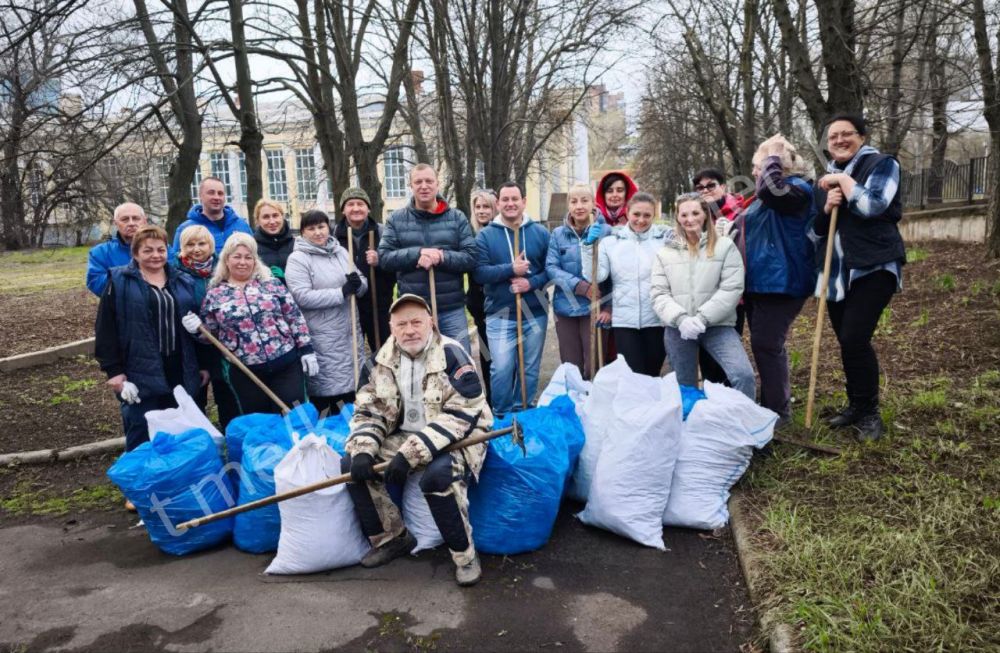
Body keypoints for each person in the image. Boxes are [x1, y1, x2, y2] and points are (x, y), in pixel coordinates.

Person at [342, 293, 493, 586]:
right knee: (351, 464)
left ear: (431, 323)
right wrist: (363, 449)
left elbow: (463, 411)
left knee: (437, 476)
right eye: (401, 324)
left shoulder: (452, 353)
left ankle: (465, 556)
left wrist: (410, 455)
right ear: (391, 327)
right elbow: (369, 410)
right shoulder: (380, 361)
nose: (409, 330)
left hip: (461, 435)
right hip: (406, 435)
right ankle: (392, 539)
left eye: (416, 322)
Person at [813, 113, 905, 441]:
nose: (838, 140)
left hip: (874, 265)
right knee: (848, 342)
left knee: (855, 338)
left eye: (846, 134)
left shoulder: (882, 164)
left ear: (862, 137)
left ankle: (869, 413)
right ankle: (856, 404)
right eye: (832, 136)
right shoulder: (824, 179)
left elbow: (874, 206)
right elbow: (815, 232)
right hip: (837, 273)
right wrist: (826, 209)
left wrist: (845, 184)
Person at [95, 225, 208, 458]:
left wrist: (203, 362)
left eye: (160, 250)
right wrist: (114, 372)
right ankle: (140, 488)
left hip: (180, 366)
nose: (155, 255)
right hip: (140, 368)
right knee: (142, 431)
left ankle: (179, 482)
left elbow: (195, 326)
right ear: (135, 254)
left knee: (182, 429)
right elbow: (106, 328)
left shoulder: (182, 280)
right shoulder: (119, 281)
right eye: (148, 251)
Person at [181, 233, 317, 416]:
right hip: (245, 371)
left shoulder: (271, 284)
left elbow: (294, 317)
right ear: (226, 260)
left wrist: (306, 349)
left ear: (255, 260)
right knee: (259, 420)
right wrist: (196, 330)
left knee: (294, 415)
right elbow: (210, 336)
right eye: (237, 257)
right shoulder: (215, 294)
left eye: (248, 257)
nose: (242, 262)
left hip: (285, 363)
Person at [742, 135, 817, 426]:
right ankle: (771, 404)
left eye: (758, 166)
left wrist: (772, 154)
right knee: (765, 344)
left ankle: (778, 413)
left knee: (766, 344)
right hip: (760, 282)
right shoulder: (764, 196)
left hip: (782, 280)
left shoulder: (797, 190)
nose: (754, 172)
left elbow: (773, 192)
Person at [650, 193, 755, 399]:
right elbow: (658, 293)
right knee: (684, 386)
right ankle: (689, 425)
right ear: (678, 217)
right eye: (684, 214)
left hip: (717, 326)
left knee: (743, 374)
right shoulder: (665, 253)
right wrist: (681, 319)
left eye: (696, 213)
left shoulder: (724, 246)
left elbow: (731, 288)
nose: (690, 219)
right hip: (678, 329)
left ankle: (745, 423)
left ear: (705, 214)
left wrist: (702, 318)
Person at [378, 164, 477, 353]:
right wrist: (418, 253)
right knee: (418, 370)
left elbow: (471, 257)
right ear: (411, 186)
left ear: (437, 184)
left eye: (429, 181)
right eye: (418, 182)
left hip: (451, 309)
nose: (424, 186)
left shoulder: (456, 218)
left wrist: (441, 256)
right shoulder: (396, 220)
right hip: (414, 312)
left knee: (460, 365)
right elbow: (384, 258)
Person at [473, 181, 549, 416]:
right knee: (502, 368)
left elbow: (551, 269)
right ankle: (502, 415)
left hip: (534, 311)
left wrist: (531, 282)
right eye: (505, 200)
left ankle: (523, 411)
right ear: (498, 204)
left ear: (523, 202)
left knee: (530, 369)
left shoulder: (540, 233)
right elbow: (479, 273)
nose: (510, 204)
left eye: (515, 199)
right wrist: (510, 269)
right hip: (500, 313)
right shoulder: (486, 236)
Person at [285, 210, 367, 415]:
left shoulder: (341, 252)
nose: (317, 232)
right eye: (311, 228)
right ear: (303, 232)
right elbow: (301, 296)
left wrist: (359, 285)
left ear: (328, 227)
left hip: (348, 332)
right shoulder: (298, 259)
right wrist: (340, 293)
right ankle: (328, 426)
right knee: (328, 388)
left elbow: (360, 281)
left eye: (321, 227)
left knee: (353, 386)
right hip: (322, 334)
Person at [582, 192, 669, 377]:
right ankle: (636, 406)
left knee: (652, 373)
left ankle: (652, 407)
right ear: (628, 212)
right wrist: (589, 248)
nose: (641, 220)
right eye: (636, 214)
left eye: (647, 215)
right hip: (624, 320)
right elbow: (596, 276)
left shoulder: (663, 241)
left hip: (657, 318)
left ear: (654, 216)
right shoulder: (611, 242)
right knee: (634, 374)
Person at [171, 225, 240, 429]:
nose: (196, 249)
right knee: (195, 397)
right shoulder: (174, 272)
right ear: (182, 247)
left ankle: (231, 436)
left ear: (210, 245)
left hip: (220, 344)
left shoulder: (224, 270)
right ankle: (200, 439)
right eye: (190, 244)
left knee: (227, 395)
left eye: (202, 243)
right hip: (190, 346)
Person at [692, 168, 750, 385]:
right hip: (703, 295)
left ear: (723, 187)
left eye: (711, 185)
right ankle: (711, 394)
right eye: (700, 188)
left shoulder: (739, 213)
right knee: (706, 351)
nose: (705, 190)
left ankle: (731, 394)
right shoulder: (695, 217)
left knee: (729, 347)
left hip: (734, 295)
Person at [546, 183, 611, 379]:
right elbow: (551, 268)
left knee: (594, 364)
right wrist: (580, 286)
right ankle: (576, 404)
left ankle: (595, 405)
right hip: (566, 308)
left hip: (597, 308)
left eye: (584, 200)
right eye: (574, 201)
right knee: (571, 366)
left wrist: (609, 307)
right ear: (568, 205)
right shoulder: (558, 234)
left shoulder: (606, 232)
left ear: (593, 203)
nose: (579, 206)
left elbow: (617, 273)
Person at [334, 188, 394, 355]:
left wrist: (380, 260)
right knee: (352, 355)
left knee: (386, 353)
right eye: (350, 204)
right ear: (343, 210)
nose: (355, 208)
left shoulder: (383, 233)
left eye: (360, 204)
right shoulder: (333, 237)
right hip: (349, 307)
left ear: (368, 208)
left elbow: (396, 265)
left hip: (379, 306)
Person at [171, 176, 253, 254]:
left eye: (220, 193)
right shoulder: (185, 229)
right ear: (200, 196)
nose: (216, 197)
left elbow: (254, 256)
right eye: (211, 193)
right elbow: (176, 263)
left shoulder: (242, 226)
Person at [466, 189, 496, 400]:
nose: (482, 211)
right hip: (479, 305)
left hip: (498, 302)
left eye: (486, 207)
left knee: (502, 356)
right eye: (478, 207)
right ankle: (490, 399)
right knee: (485, 355)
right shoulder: (470, 236)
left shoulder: (499, 235)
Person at [86, 202, 147, 297]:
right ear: (116, 223)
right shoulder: (100, 253)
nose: (131, 223)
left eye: (135, 218)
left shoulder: (161, 249)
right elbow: (97, 284)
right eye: (125, 219)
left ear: (144, 221)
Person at [253, 199, 295, 280]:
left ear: (282, 216)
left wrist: (286, 276)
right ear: (258, 220)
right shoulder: (252, 247)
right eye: (266, 217)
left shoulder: (296, 244)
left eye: (275, 215)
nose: (272, 221)